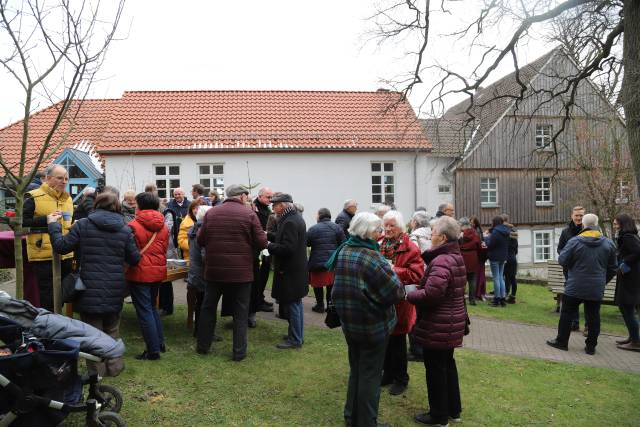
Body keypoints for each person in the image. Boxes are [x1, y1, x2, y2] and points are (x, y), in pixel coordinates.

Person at [47, 192, 140, 375]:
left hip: (87, 287)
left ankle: (97, 372)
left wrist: (53, 226)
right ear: (117, 207)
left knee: (91, 334)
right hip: (115, 287)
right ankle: (114, 368)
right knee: (112, 329)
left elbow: (61, 246)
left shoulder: (83, 225)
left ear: (96, 205)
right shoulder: (125, 229)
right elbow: (135, 258)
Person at [328, 212, 404, 427]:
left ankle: (351, 417)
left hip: (350, 324)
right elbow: (395, 293)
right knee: (370, 375)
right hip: (373, 327)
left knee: (357, 371)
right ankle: (367, 422)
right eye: (378, 229)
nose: (381, 233)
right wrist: (391, 270)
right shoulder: (372, 256)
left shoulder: (344, 250)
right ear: (367, 232)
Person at [196, 184, 268, 361]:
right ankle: (239, 352)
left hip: (214, 270)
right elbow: (262, 243)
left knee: (208, 308)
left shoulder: (212, 213)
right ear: (242, 196)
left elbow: (200, 239)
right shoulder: (250, 214)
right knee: (241, 311)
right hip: (241, 272)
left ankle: (203, 346)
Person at [407, 216, 466, 427]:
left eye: (432, 233)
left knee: (435, 370)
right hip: (450, 322)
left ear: (441, 238)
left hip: (439, 323)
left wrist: (409, 294)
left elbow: (432, 294)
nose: (430, 236)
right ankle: (453, 409)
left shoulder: (441, 260)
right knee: (447, 365)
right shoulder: (454, 255)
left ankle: (439, 415)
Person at [547, 213, 617, 355]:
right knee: (593, 316)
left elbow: (562, 260)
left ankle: (562, 342)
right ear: (596, 224)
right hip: (596, 287)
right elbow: (613, 268)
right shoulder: (608, 243)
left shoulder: (574, 241)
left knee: (566, 313)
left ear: (584, 225)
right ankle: (591, 347)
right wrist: (603, 281)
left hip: (575, 285)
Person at [379, 210, 424, 396]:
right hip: (382, 300)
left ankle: (401, 378)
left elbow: (417, 275)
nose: (388, 229)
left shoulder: (410, 247)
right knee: (385, 341)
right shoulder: (380, 243)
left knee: (397, 343)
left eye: (392, 225)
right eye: (386, 225)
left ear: (401, 227)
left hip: (400, 301)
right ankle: (388, 374)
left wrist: (393, 270)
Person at [22, 164, 74, 311]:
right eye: (59, 178)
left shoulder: (68, 199)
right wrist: (46, 219)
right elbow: (21, 223)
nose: (64, 181)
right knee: (48, 295)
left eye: (66, 178)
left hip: (66, 252)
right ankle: (50, 326)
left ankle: (59, 323)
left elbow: (69, 222)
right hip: (43, 253)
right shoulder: (33, 196)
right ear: (47, 178)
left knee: (63, 292)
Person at [126, 192, 170, 361]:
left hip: (140, 271)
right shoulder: (163, 225)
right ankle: (159, 343)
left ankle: (153, 351)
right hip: (157, 271)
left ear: (140, 205)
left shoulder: (133, 225)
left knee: (145, 311)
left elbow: (130, 252)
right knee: (151, 308)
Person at [268, 193, 309, 349]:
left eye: (275, 205)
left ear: (283, 205)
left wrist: (268, 245)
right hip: (295, 270)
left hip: (290, 271)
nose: (273, 208)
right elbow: (282, 238)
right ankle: (296, 335)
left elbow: (287, 248)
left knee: (293, 305)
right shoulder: (293, 218)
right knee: (296, 304)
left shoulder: (290, 221)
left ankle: (295, 339)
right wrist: (269, 236)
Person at [306, 208, 345, 313]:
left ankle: (319, 305)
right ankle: (329, 306)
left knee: (317, 285)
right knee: (330, 285)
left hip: (317, 261)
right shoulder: (337, 228)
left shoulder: (313, 228)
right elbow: (343, 244)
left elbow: (307, 243)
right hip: (332, 262)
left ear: (319, 216)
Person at [612, 214, 640, 351]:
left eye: (616, 224)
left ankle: (636, 341)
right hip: (629, 277)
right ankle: (633, 337)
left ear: (624, 224)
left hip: (630, 278)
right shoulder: (628, 236)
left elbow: (637, 252)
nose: (615, 226)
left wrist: (624, 263)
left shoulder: (628, 236)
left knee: (627, 308)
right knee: (625, 308)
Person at [558, 206, 586, 331]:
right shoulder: (566, 232)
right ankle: (574, 322)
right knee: (571, 296)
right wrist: (567, 257)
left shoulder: (588, 231)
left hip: (585, 269)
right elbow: (560, 249)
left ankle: (588, 326)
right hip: (569, 269)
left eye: (581, 215)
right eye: (577, 215)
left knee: (586, 297)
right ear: (572, 216)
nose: (579, 218)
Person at [187, 205, 212, 336]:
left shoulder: (194, 228)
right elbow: (205, 256)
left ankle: (198, 330)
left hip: (195, 271)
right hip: (203, 272)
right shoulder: (204, 230)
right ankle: (203, 332)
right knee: (205, 304)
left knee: (200, 302)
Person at [251, 187, 275, 318]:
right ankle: (258, 301)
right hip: (258, 247)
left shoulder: (267, 208)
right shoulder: (254, 208)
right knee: (259, 276)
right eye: (268, 197)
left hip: (267, 245)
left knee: (265, 274)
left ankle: (261, 297)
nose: (270, 200)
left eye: (271, 197)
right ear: (260, 196)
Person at [484, 216, 510, 307]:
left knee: (496, 278)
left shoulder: (495, 232)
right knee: (501, 277)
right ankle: (503, 299)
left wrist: (486, 238)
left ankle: (496, 299)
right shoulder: (507, 230)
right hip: (503, 256)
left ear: (495, 222)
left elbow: (490, 245)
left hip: (495, 256)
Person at [459, 217, 482, 305]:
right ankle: (472, 300)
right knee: (472, 279)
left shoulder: (460, 235)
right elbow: (480, 247)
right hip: (473, 257)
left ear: (462, 225)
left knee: (462, 280)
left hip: (462, 257)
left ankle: (461, 299)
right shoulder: (475, 234)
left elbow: (457, 245)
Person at [501, 214, 519, 304]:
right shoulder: (513, 232)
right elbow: (516, 248)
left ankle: (506, 294)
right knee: (512, 277)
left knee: (506, 277)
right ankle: (512, 296)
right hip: (513, 257)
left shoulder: (504, 232)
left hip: (506, 256)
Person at [470, 216, 487, 301]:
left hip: (479, 256)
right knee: (476, 275)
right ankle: (478, 293)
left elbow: (480, 244)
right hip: (477, 256)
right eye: (470, 222)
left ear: (475, 223)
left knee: (479, 276)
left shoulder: (477, 232)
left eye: (473, 222)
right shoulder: (478, 231)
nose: (471, 224)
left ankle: (479, 293)